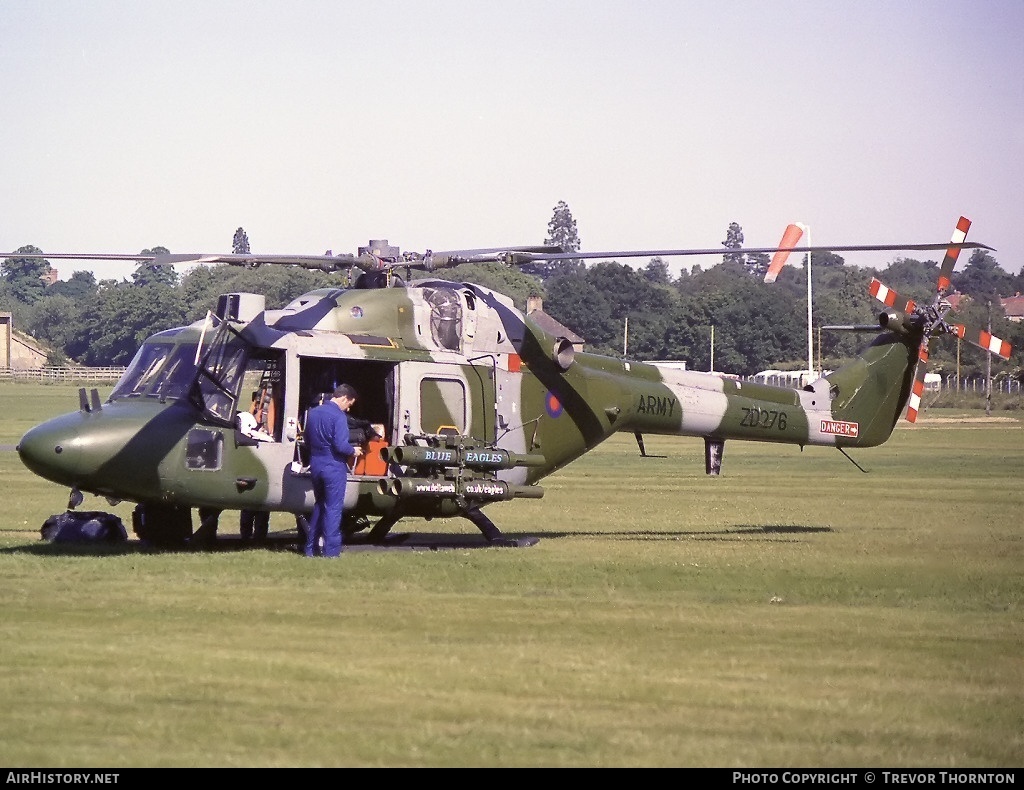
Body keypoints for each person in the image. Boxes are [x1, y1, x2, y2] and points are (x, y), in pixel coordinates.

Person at [303, 383, 362, 557]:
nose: (348, 408)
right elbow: (340, 445)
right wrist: (354, 450)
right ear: (344, 398)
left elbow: (307, 439)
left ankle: (310, 548)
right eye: (349, 404)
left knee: (319, 506)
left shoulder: (313, 412)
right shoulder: (339, 416)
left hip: (316, 464)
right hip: (333, 465)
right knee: (333, 509)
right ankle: (331, 552)